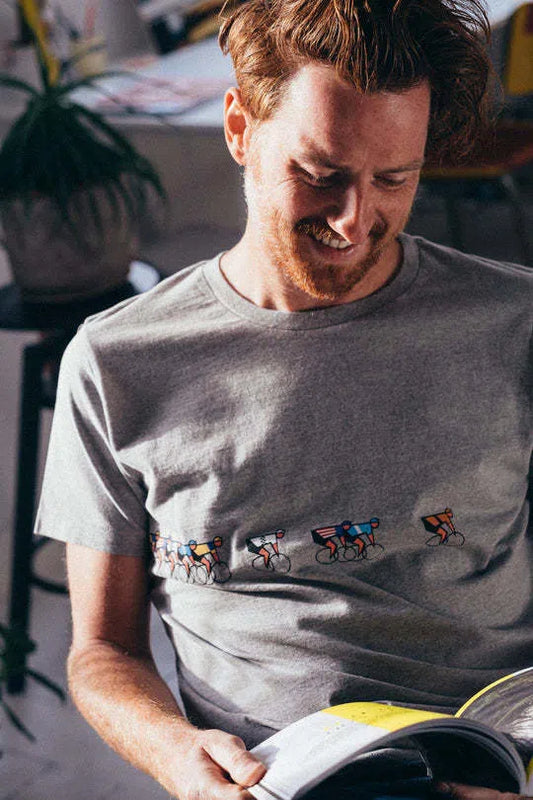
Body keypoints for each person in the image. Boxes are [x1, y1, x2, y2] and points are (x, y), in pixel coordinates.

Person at [35, 1, 532, 799]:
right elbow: (103, 652)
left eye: (393, 180)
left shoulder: (514, 324)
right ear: (240, 128)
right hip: (271, 780)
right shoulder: (116, 361)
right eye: (320, 175)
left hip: (494, 763)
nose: (354, 219)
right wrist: (176, 754)